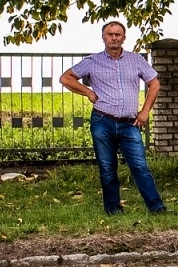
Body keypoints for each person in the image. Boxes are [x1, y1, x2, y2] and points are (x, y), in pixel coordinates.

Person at [59, 22, 167, 216]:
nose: (114, 38)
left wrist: (145, 112)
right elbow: (66, 78)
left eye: (118, 34)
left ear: (124, 38)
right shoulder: (92, 61)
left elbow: (154, 83)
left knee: (140, 167)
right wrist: (88, 92)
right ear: (103, 37)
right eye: (110, 34)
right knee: (108, 168)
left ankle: (156, 208)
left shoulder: (136, 60)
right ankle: (113, 209)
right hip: (103, 121)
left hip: (129, 124)